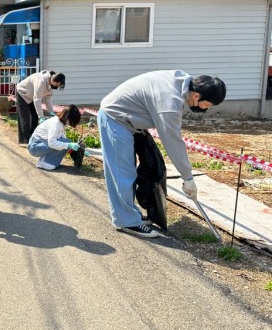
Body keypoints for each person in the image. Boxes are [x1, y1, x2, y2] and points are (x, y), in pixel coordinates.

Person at [98, 70, 227, 239]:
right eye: (208, 105)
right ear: (196, 96)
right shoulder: (170, 103)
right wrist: (188, 178)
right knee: (122, 171)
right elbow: (173, 142)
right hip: (115, 118)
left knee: (131, 169)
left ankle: (129, 214)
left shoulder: (181, 82)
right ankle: (126, 221)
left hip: (129, 118)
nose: (207, 109)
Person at [15, 70, 66, 144]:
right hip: (22, 93)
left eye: (58, 85)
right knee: (25, 118)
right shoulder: (41, 80)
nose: (56, 85)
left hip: (31, 96)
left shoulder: (51, 84)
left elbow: (48, 98)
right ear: (53, 78)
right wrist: (41, 116)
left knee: (35, 116)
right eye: (56, 83)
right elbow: (37, 99)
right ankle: (26, 140)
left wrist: (50, 111)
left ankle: (33, 137)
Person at [27, 104, 81, 170]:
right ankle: (45, 162)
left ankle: (47, 161)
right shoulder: (56, 123)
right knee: (65, 144)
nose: (70, 124)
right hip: (35, 147)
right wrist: (69, 145)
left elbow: (63, 139)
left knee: (66, 143)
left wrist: (76, 148)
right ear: (68, 117)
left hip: (39, 144)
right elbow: (52, 143)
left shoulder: (60, 123)